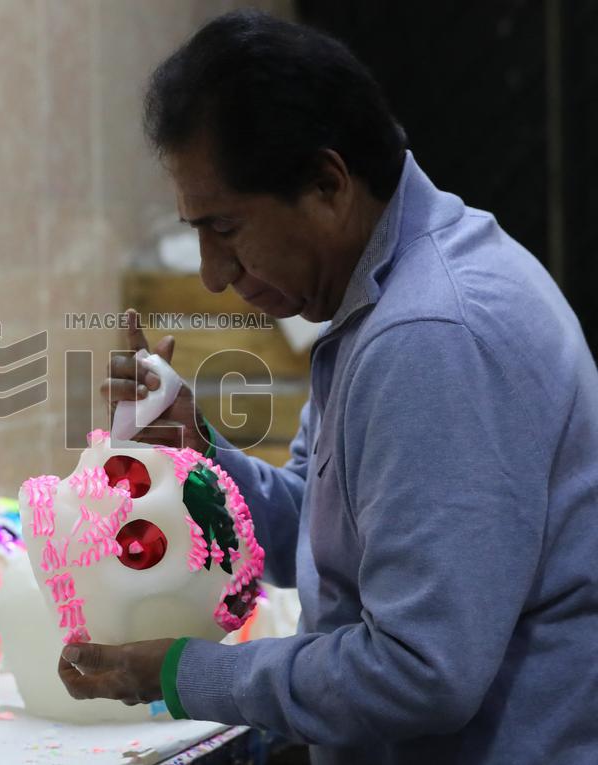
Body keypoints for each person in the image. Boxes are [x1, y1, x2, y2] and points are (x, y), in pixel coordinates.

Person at [57, 10, 598, 765]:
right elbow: (316, 537)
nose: (214, 275)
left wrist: (177, 672)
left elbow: (420, 671)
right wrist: (197, 457)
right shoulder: (366, 308)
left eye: (226, 229)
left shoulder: (432, 334)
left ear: (326, 183)